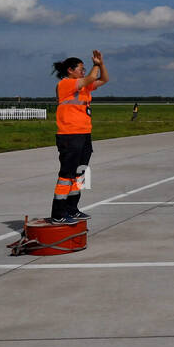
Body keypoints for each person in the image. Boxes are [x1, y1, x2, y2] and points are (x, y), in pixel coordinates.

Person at [49, 50, 108, 224]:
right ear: (70, 70)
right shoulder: (66, 84)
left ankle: (72, 209)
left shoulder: (84, 86)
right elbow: (90, 78)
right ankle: (58, 214)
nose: (84, 71)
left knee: (80, 173)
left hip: (84, 134)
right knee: (66, 175)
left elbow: (104, 80)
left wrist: (101, 64)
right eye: (81, 69)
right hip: (69, 135)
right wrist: (95, 65)